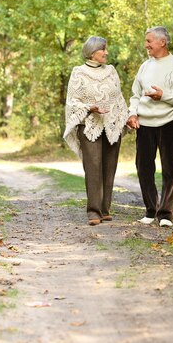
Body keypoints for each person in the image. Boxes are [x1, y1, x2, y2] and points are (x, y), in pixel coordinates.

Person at [127, 26, 173, 227]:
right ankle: (150, 210)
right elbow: (135, 95)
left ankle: (165, 214)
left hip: (169, 122)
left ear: (162, 42)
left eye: (149, 41)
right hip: (145, 124)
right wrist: (132, 113)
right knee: (143, 168)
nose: (146, 45)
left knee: (169, 169)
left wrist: (163, 95)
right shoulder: (144, 66)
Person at [64, 36, 128, 225]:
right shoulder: (79, 73)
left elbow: (118, 98)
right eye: (103, 50)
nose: (106, 53)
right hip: (89, 124)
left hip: (111, 123)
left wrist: (125, 118)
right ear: (92, 53)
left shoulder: (111, 71)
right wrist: (90, 107)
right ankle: (93, 211)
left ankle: (105, 209)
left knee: (110, 166)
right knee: (93, 167)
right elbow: (72, 101)